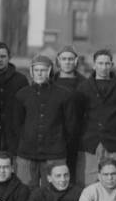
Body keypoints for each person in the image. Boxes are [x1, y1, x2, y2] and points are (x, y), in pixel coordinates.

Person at [11, 54, 76, 188]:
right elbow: (16, 125)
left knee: (54, 192)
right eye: (36, 70)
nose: (39, 73)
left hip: (55, 154)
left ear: (50, 71)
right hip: (26, 153)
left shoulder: (64, 95)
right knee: (24, 191)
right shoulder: (22, 95)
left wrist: (59, 143)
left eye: (43, 70)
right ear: (31, 72)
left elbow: (70, 126)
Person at [76, 49, 116, 185]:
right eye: (100, 63)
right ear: (94, 65)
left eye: (107, 63)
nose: (104, 67)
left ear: (112, 65)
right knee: (88, 183)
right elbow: (77, 116)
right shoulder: (83, 88)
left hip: (114, 142)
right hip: (89, 143)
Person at [0, 41, 28, 167]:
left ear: (9, 57)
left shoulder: (21, 80)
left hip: (13, 135)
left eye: (3, 56)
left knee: (12, 171)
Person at [51, 47, 88, 177]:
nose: (67, 62)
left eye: (70, 59)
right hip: (53, 136)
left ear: (76, 61)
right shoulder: (50, 82)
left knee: (75, 175)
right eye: (64, 59)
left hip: (78, 137)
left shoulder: (85, 84)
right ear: (58, 61)